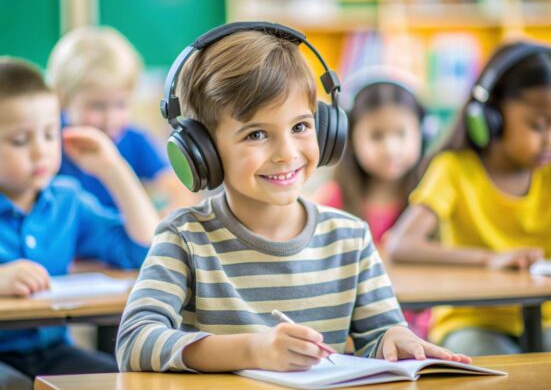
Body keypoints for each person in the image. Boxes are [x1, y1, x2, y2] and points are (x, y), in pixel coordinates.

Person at [115, 22, 470, 373]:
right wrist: (252, 350)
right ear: (202, 151)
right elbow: (134, 341)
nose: (286, 153)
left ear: (327, 129)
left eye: (300, 127)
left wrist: (395, 339)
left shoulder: (351, 239)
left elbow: (379, 334)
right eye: (256, 134)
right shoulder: (185, 238)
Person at [0, 57, 159, 389]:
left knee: (131, 382)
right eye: (19, 140)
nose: (40, 151)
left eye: (49, 134)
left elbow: (143, 250)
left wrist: (113, 168)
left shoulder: (66, 200)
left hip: (52, 352)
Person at [387, 42, 551, 356]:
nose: (549, 140)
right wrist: (490, 259)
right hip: (471, 322)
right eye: (538, 125)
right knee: (491, 365)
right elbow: (402, 244)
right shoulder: (454, 170)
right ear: (490, 116)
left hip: (543, 318)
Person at [313, 68, 431, 339]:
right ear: (350, 139)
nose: (391, 148)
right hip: (354, 328)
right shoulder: (333, 199)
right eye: (377, 136)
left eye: (401, 134)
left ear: (422, 134)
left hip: (422, 325)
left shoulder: (430, 197)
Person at [46, 26, 200, 215]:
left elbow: (181, 192)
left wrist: (158, 226)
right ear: (63, 100)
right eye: (97, 106)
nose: (111, 118)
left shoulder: (134, 139)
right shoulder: (50, 143)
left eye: (121, 104)